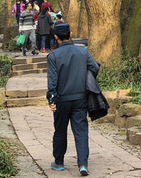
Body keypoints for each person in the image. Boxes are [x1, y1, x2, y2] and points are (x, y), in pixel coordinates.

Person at [46, 23, 99, 176]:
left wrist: (52, 99)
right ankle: (82, 164)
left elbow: (52, 81)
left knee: (60, 130)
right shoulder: (83, 52)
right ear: (70, 34)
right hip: (80, 98)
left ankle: (59, 162)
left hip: (61, 99)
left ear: (55, 37)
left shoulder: (53, 56)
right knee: (81, 131)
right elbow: (94, 68)